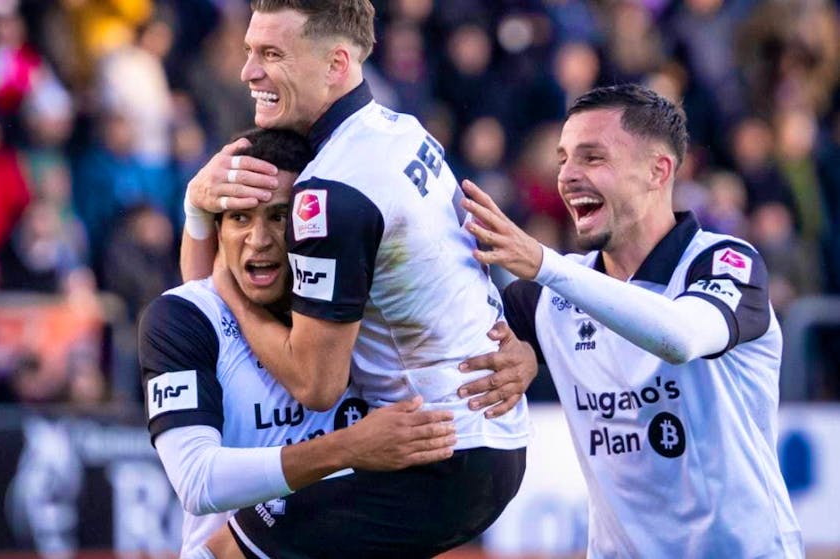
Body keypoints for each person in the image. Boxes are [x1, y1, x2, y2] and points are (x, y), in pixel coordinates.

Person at [181, 2, 531, 557]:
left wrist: (229, 288)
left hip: (433, 451)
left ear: (336, 63)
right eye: (250, 51)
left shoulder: (333, 189)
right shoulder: (400, 129)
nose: (248, 71)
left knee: (216, 549)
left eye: (272, 54)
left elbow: (314, 381)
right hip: (485, 439)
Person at [460, 83, 803, 557]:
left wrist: (543, 263)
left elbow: (678, 337)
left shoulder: (726, 263)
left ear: (657, 170)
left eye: (592, 158)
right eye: (562, 159)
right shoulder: (545, 298)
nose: (567, 176)